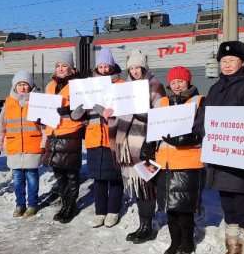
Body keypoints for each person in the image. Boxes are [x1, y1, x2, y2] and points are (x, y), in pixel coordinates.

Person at [194, 40, 244, 254]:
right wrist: (202, 130)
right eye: (223, 61)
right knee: (228, 206)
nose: (227, 64)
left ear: (242, 62)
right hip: (219, 158)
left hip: (240, 160)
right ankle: (232, 251)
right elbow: (203, 118)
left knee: (243, 205)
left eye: (232, 60)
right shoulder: (215, 89)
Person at [107, 49, 165, 244]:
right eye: (131, 68)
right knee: (138, 187)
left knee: (145, 186)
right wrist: (110, 115)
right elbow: (116, 116)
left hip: (144, 145)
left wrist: (142, 114)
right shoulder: (124, 88)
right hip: (126, 147)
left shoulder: (155, 85)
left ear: (143, 67)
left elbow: (161, 114)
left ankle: (148, 226)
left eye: (137, 67)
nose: (134, 71)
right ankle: (142, 225)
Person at [152, 66, 204, 254]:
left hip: (187, 163)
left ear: (188, 81)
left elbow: (202, 131)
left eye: (181, 81)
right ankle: (175, 242)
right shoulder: (162, 102)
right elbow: (154, 130)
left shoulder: (198, 101)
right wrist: (148, 146)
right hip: (164, 163)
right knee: (170, 209)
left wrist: (186, 139)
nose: (177, 85)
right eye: (173, 82)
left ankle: (188, 241)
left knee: (184, 209)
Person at [71, 47, 124, 228]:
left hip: (114, 138)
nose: (103, 69)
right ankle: (100, 211)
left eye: (106, 65)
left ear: (111, 66)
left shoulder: (120, 85)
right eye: (100, 65)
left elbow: (125, 109)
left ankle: (113, 211)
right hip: (94, 138)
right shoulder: (87, 87)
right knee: (99, 178)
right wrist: (82, 107)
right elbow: (75, 116)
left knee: (115, 177)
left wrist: (105, 109)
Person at [41, 52, 84, 224]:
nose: (60, 69)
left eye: (64, 66)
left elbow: (82, 111)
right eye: (58, 66)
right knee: (59, 174)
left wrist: (69, 111)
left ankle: (71, 206)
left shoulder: (77, 86)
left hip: (70, 133)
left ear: (71, 69)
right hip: (54, 134)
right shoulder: (50, 86)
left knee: (71, 174)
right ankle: (65, 204)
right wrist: (40, 116)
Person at [0, 70, 43, 218]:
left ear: (30, 86)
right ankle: (20, 204)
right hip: (15, 147)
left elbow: (45, 125)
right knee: (17, 180)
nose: (22, 87)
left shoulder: (38, 101)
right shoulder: (9, 102)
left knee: (32, 178)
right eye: (19, 84)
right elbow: (1, 126)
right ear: (15, 87)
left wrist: (45, 143)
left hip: (32, 146)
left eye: (25, 84)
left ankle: (32, 205)